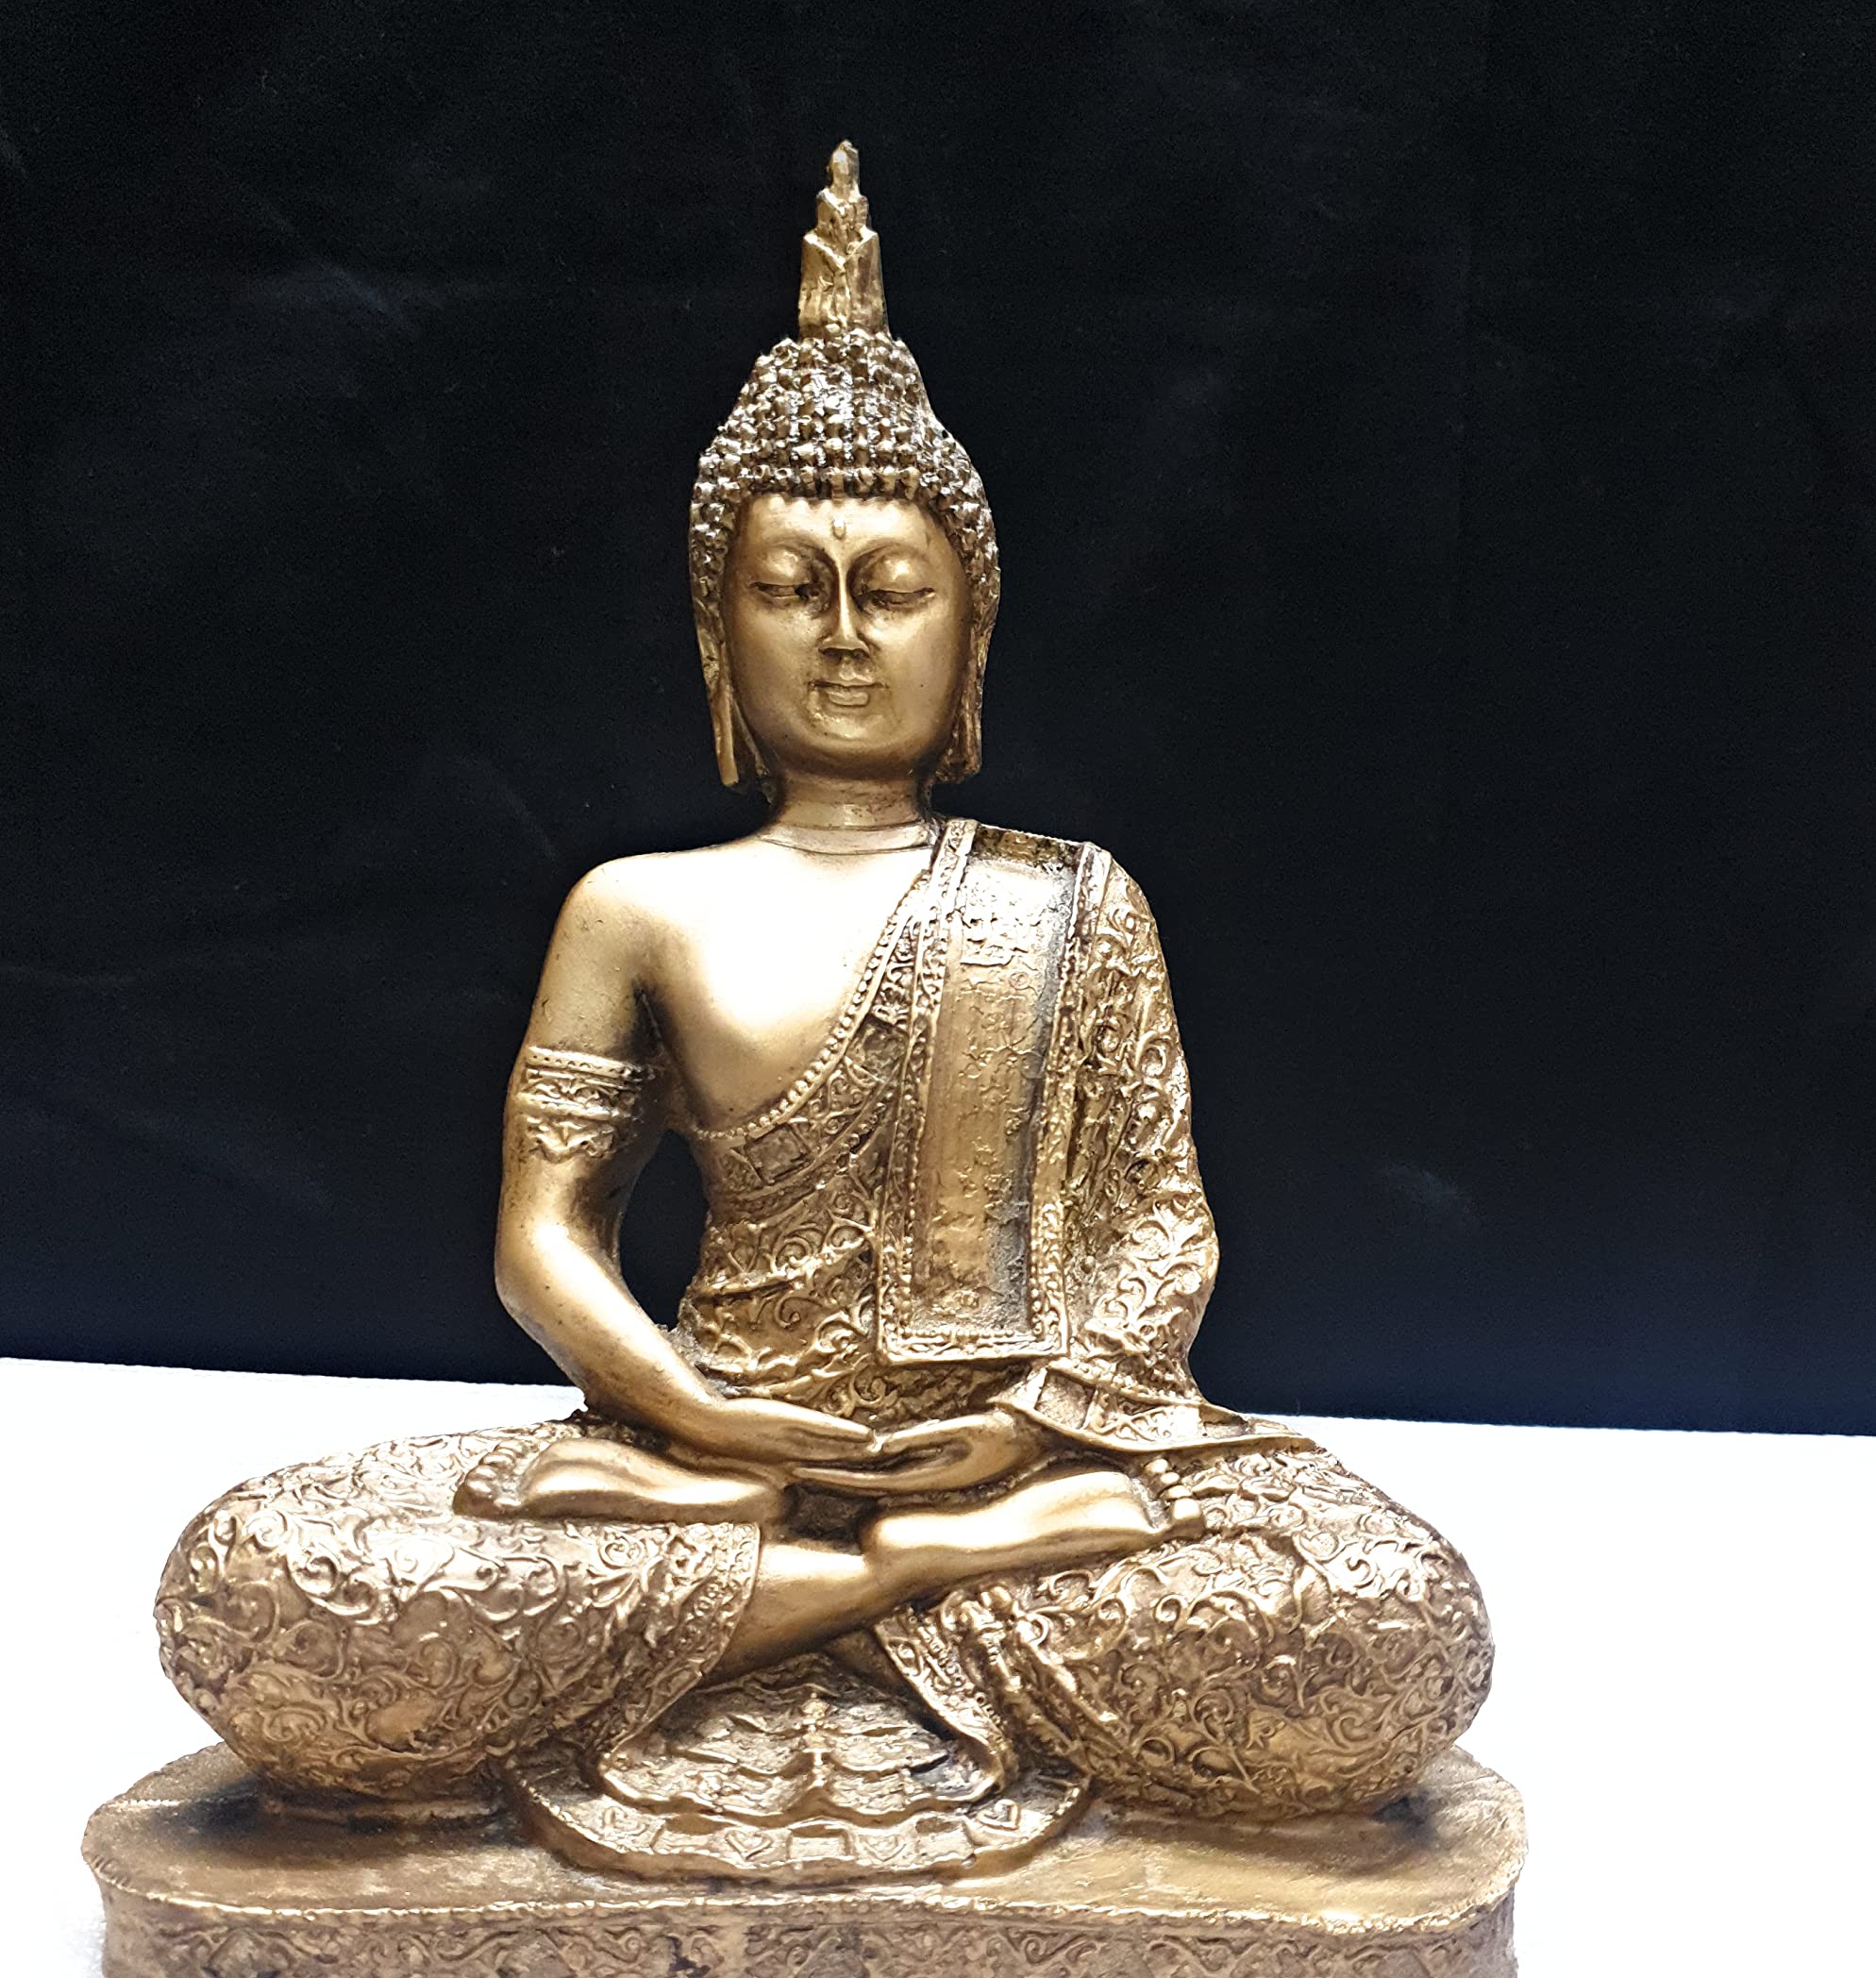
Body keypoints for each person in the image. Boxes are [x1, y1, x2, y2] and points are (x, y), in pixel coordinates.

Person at [157, 148, 1491, 1858]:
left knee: (1385, 1620)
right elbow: (543, 1239)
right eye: (791, 589)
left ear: (970, 629)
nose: (845, 635)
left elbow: (1159, 1238)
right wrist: (692, 1411)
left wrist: (1021, 1426)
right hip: (709, 1451)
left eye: (895, 590)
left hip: (1015, 1462)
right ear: (720, 631)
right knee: (265, 1590)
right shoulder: (637, 907)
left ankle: (801, 1597)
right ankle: (891, 1585)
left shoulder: (1070, 900)